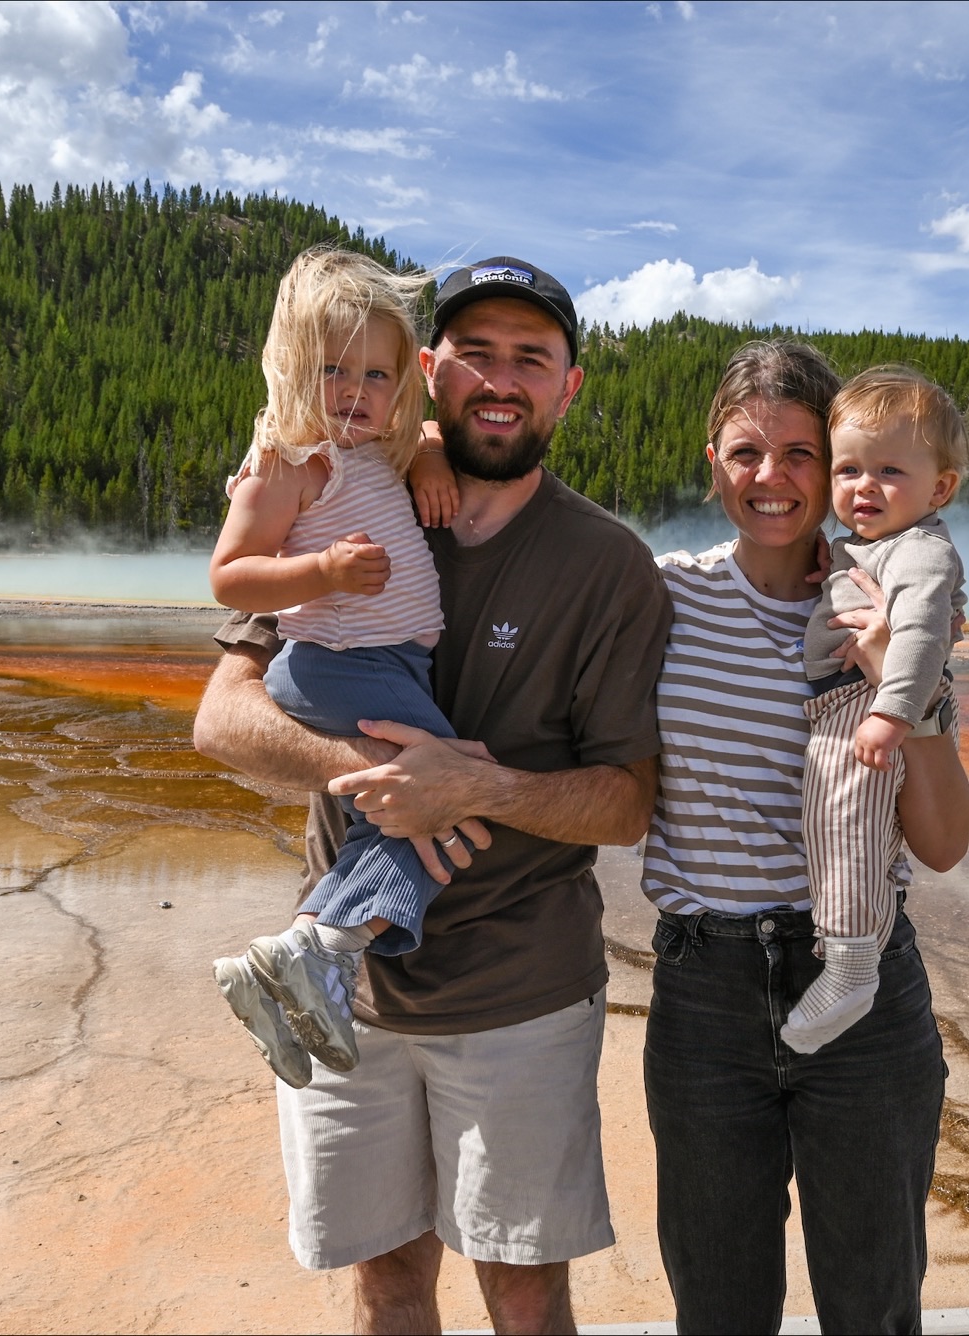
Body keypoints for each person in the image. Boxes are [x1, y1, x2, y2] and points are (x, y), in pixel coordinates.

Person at [192, 256, 672, 1336]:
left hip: (520, 991)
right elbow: (219, 717)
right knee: (385, 1284)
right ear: (430, 370)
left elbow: (627, 804)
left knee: (523, 1289)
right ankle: (323, 938)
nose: (501, 381)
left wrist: (479, 786)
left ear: (567, 386)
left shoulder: (606, 565)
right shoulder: (336, 489)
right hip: (340, 995)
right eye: (477, 355)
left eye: (531, 359)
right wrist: (372, 780)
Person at [641, 341, 969, 1333]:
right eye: (747, 451)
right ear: (711, 459)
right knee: (718, 1306)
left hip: (862, 984)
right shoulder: (664, 595)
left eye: (798, 453)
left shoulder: (892, 603)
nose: (771, 478)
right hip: (705, 992)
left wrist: (902, 690)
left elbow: (945, 840)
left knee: (872, 1308)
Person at [204, 246, 461, 1089]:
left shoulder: (373, 449)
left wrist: (424, 451)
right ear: (291, 367)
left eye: (378, 376)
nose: (357, 391)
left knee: (402, 819)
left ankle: (289, 969)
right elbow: (230, 574)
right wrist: (322, 573)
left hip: (385, 664)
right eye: (333, 370)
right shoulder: (290, 459)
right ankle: (324, 951)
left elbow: (421, 427)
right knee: (441, 802)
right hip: (339, 662)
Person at [783, 366, 969, 1053]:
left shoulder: (921, 552)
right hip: (850, 703)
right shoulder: (874, 547)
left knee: (848, 830)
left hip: (870, 705)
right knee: (832, 823)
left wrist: (893, 711)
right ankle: (846, 955)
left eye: (889, 470)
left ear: (940, 487)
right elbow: (863, 580)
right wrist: (829, 572)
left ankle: (853, 965)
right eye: (849, 469)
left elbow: (920, 635)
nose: (863, 486)